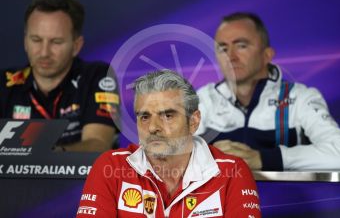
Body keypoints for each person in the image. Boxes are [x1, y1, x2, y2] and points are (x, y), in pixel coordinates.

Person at [76, 70, 261, 217]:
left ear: (194, 121)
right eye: (145, 117)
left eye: (167, 115)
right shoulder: (110, 167)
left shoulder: (232, 172)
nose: (153, 127)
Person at [196, 12, 340, 170]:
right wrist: (209, 155)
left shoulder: (301, 98)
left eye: (241, 46)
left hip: (288, 195)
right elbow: (171, 157)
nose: (231, 56)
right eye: (223, 48)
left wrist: (264, 159)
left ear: (267, 55)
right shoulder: (203, 100)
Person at [0, 0, 120, 152]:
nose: (44, 52)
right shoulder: (5, 83)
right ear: (25, 41)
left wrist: (51, 158)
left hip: (82, 178)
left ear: (76, 45)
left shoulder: (98, 77)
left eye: (56, 42)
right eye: (36, 40)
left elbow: (98, 144)